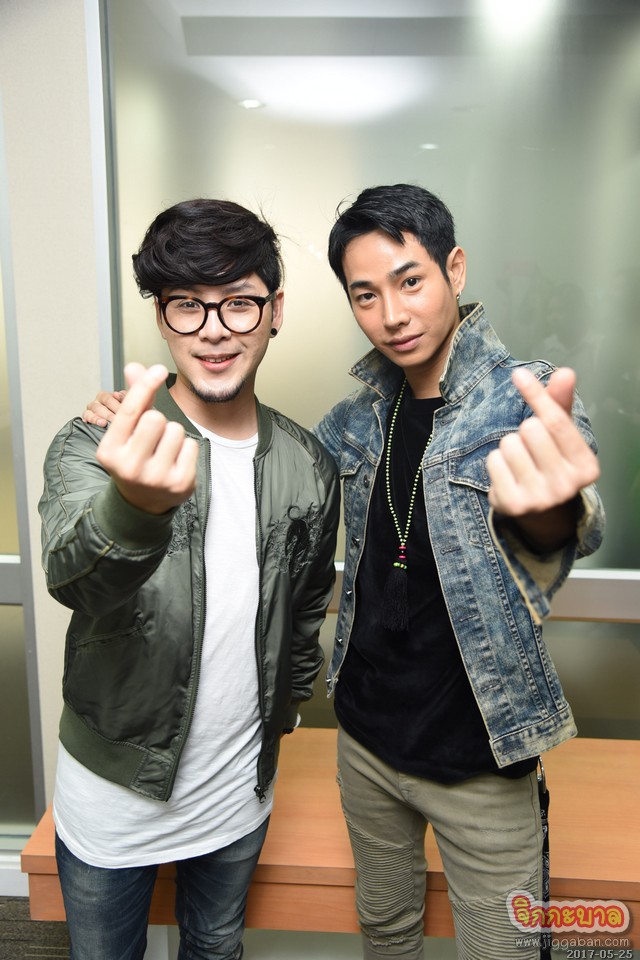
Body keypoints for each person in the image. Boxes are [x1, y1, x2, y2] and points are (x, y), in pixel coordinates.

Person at [84, 184, 604, 960]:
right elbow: (257, 461)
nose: (391, 313)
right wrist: (149, 422)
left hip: (481, 760)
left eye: (410, 280)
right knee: (385, 933)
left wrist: (550, 512)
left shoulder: (524, 403)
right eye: (365, 295)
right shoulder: (354, 421)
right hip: (366, 746)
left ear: (455, 269)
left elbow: (570, 525)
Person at [39, 197, 340, 960]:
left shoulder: (308, 464)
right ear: (161, 316)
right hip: (112, 800)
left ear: (274, 311)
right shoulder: (102, 441)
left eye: (238, 302)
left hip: (238, 793)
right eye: (186, 305)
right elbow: (73, 579)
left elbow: (306, 608)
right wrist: (134, 508)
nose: (213, 329)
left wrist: (283, 714)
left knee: (216, 948)